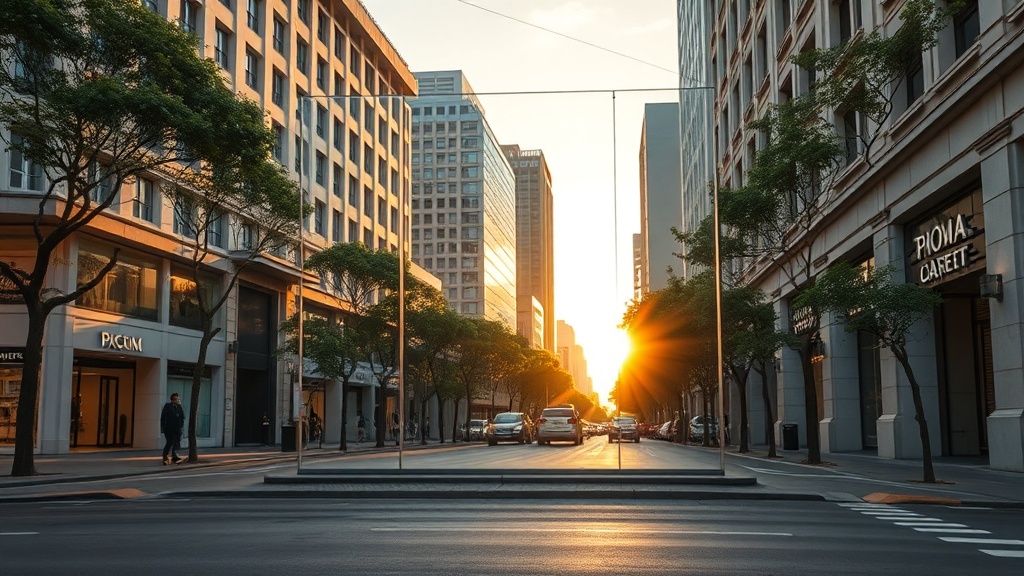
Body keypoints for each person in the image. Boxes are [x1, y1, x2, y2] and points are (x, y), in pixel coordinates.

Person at [160, 393, 185, 465]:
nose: (178, 400)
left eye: (178, 399)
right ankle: (165, 457)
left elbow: (182, 416)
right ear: (173, 400)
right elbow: (163, 417)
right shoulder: (168, 406)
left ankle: (174, 457)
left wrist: (181, 425)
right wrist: (163, 428)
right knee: (170, 442)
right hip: (168, 428)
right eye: (177, 399)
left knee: (176, 442)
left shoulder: (179, 407)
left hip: (177, 428)